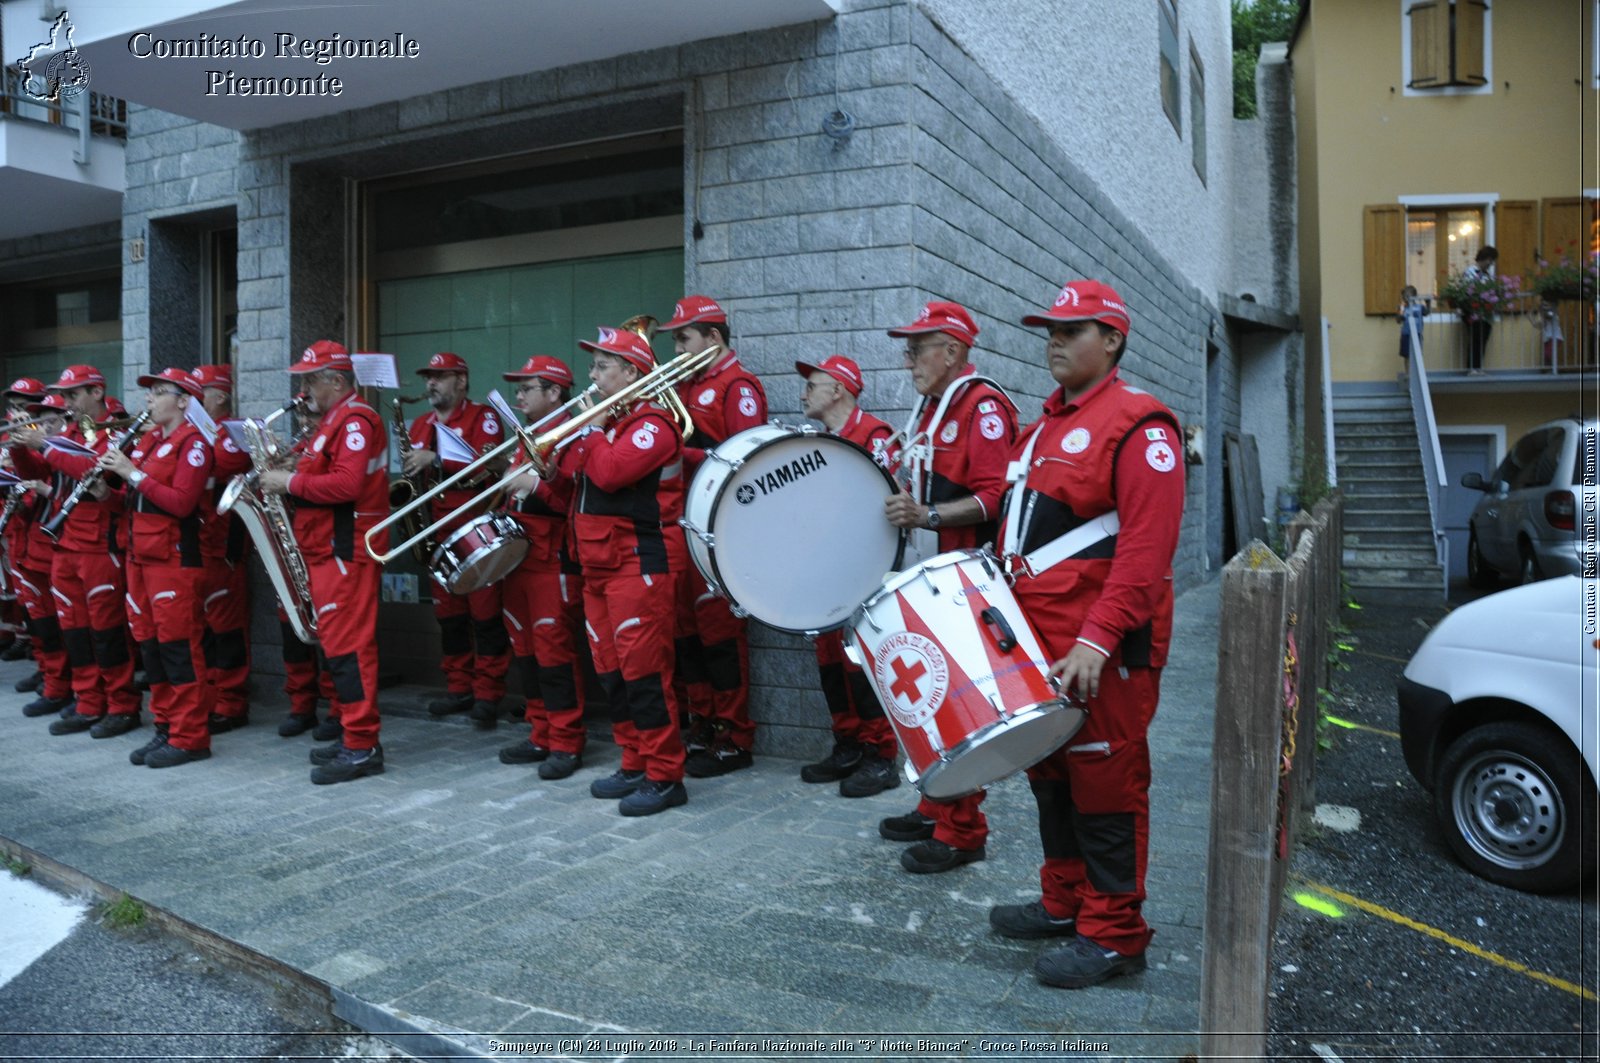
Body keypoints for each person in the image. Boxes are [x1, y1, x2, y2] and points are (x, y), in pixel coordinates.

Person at [987, 279, 1184, 991]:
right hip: (1039, 646)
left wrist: (1097, 639)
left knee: (1107, 783)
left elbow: (1145, 551)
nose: (1055, 341)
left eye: (1073, 330)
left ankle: (1114, 934)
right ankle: (1065, 899)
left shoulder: (1140, 424)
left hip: (1101, 652)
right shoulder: (1039, 428)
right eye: (1051, 329)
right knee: (1051, 775)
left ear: (1114, 340)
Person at [878, 301, 1018, 874]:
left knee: (955, 702)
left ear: (953, 351)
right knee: (924, 697)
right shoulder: (934, 406)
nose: (908, 358)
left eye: (918, 347)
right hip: (931, 571)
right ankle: (936, 802)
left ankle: (963, 831)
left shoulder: (982, 407)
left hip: (960, 578)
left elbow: (996, 496)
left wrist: (927, 516)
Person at [562, 326, 690, 816]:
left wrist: (589, 430)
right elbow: (576, 477)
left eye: (601, 367)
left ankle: (665, 775)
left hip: (636, 567)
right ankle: (634, 759)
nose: (591, 377)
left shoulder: (653, 424)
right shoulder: (610, 425)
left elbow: (613, 471)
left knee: (644, 674)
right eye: (593, 366)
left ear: (633, 372)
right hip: (597, 568)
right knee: (611, 671)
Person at [258, 341, 389, 785]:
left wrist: (288, 480)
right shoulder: (334, 422)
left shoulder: (355, 419)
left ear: (337, 381)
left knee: (350, 650)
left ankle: (362, 745)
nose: (305, 387)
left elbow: (348, 485)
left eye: (311, 378)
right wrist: (294, 464)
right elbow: (327, 474)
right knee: (338, 648)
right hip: (327, 549)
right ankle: (354, 735)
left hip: (345, 549)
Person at [663, 295, 766, 777]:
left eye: (683, 338)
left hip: (718, 528)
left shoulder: (738, 385)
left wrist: (674, 454)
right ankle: (701, 721)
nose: (677, 348)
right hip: (679, 523)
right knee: (687, 633)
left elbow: (745, 462)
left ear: (713, 338)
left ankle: (734, 735)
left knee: (720, 637)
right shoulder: (685, 384)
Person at [792, 354, 902, 798]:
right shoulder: (819, 443)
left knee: (860, 664)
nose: (804, 393)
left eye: (813, 384)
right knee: (829, 662)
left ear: (838, 390)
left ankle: (882, 755)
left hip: (864, 573)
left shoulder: (874, 436)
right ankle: (849, 743)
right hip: (827, 571)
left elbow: (880, 506)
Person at [14, 366, 141, 739]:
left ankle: (121, 706)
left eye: (73, 395)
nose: (66, 403)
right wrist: (23, 447)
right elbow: (38, 469)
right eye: (65, 396)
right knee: (76, 633)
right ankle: (88, 702)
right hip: (64, 545)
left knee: (107, 633)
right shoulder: (69, 431)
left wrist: (44, 445)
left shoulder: (116, 431)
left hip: (100, 548)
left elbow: (92, 470)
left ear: (98, 393)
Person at [98, 368, 214, 768]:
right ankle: (165, 727)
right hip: (140, 557)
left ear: (184, 401)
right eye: (148, 393)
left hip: (174, 560)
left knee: (179, 649)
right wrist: (106, 490)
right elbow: (137, 500)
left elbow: (181, 502)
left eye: (159, 392)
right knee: (152, 648)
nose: (148, 400)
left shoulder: (194, 444)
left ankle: (191, 735)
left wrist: (131, 472)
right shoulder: (148, 441)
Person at [406, 352, 512, 728]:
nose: (431, 383)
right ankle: (459, 687)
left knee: (484, 618)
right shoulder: (419, 423)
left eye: (441, 376)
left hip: (477, 531)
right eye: (428, 377)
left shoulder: (483, 417)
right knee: (449, 619)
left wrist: (434, 460)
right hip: (436, 533)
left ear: (462, 381)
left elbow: (487, 462)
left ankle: (488, 694)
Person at [496, 355, 588, 780]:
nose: (518, 396)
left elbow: (574, 502)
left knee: (553, 652)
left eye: (526, 388)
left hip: (552, 556)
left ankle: (567, 741)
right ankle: (540, 732)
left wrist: (537, 484)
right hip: (520, 554)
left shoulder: (574, 432)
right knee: (526, 651)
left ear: (554, 393)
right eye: (517, 389)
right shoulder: (526, 435)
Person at [191, 364, 253, 733]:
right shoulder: (193, 433)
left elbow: (217, 463)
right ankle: (211, 699)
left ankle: (231, 704)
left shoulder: (234, 431)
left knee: (227, 630)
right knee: (204, 630)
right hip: (195, 547)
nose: (191, 401)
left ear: (219, 396)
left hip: (224, 547)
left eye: (199, 393)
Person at [8, 387, 73, 717]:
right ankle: (53, 683)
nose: (41, 424)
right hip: (33, 547)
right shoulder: (48, 450)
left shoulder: (71, 449)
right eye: (39, 418)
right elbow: (29, 472)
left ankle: (64, 688)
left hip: (58, 549)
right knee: (43, 626)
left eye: (48, 418)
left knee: (66, 629)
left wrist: (42, 491)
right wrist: (19, 447)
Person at [1462, 245, 1498, 375]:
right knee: (1475, 338)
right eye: (1491, 260)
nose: (1491, 264)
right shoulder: (1470, 272)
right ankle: (1471, 368)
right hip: (1473, 312)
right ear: (1485, 258)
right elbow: (1466, 290)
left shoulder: (1488, 275)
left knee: (1483, 338)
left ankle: (1478, 367)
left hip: (1485, 314)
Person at [1397, 285, 1429, 368]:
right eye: (1404, 296)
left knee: (1417, 355)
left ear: (1414, 296)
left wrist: (1428, 303)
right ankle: (1408, 374)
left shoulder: (1419, 307)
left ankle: (1416, 374)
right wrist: (1400, 313)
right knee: (1406, 355)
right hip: (1406, 334)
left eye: (1407, 296)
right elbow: (1398, 320)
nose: (1405, 298)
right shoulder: (1403, 308)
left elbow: (1426, 312)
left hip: (1417, 334)